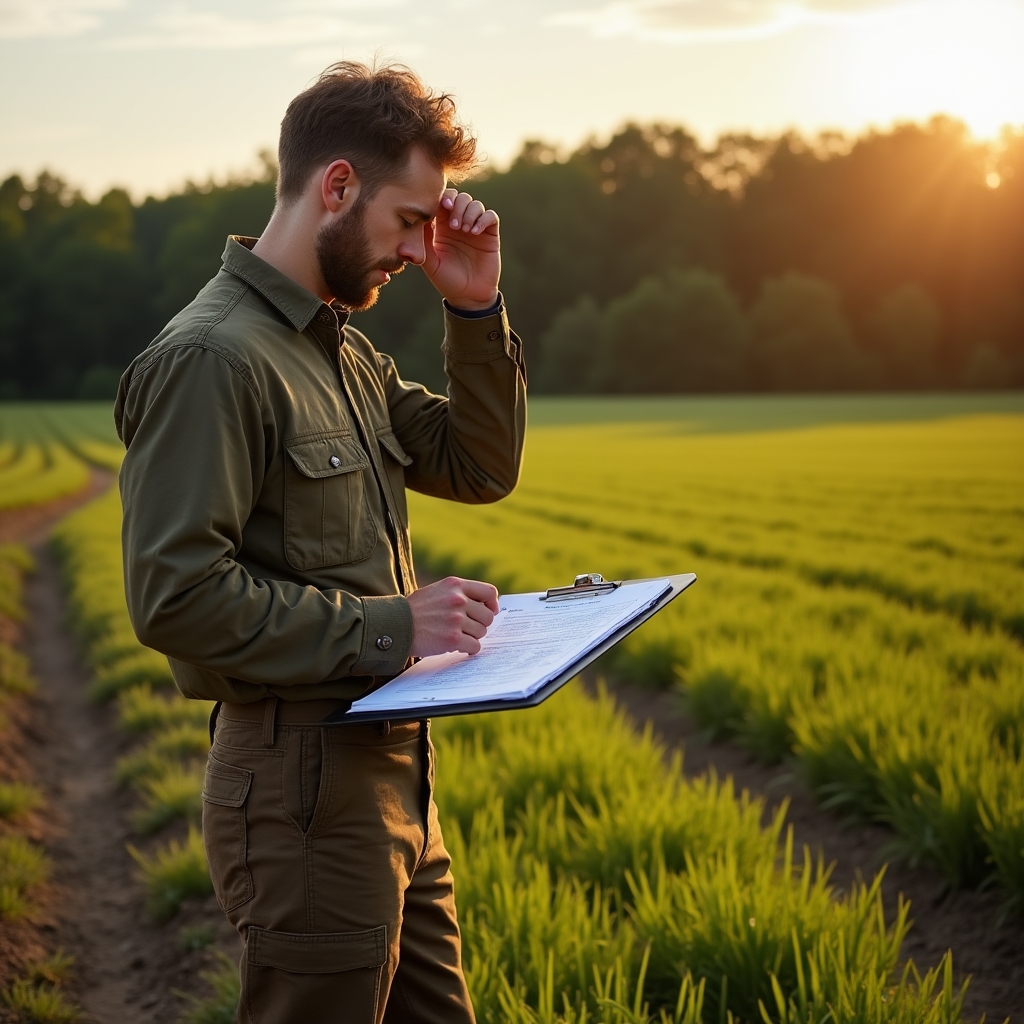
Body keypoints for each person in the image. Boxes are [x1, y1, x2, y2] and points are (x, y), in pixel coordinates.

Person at [114, 62, 526, 1023]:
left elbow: (479, 465)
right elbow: (173, 597)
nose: (417, 248)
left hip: (397, 784)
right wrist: (398, 625)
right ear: (336, 187)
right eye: (409, 221)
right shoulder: (213, 358)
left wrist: (473, 305)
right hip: (303, 796)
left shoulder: (337, 346)